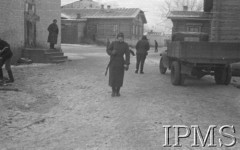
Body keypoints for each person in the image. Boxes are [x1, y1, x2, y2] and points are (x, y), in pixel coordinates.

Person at [106, 32, 130, 97]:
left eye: (121, 38)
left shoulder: (125, 45)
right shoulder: (113, 43)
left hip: (120, 63)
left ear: (123, 38)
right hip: (113, 62)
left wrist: (126, 63)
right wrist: (111, 52)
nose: (120, 40)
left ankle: (118, 91)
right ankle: (113, 91)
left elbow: (127, 55)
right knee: (113, 77)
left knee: (119, 78)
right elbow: (108, 50)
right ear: (117, 38)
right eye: (119, 38)